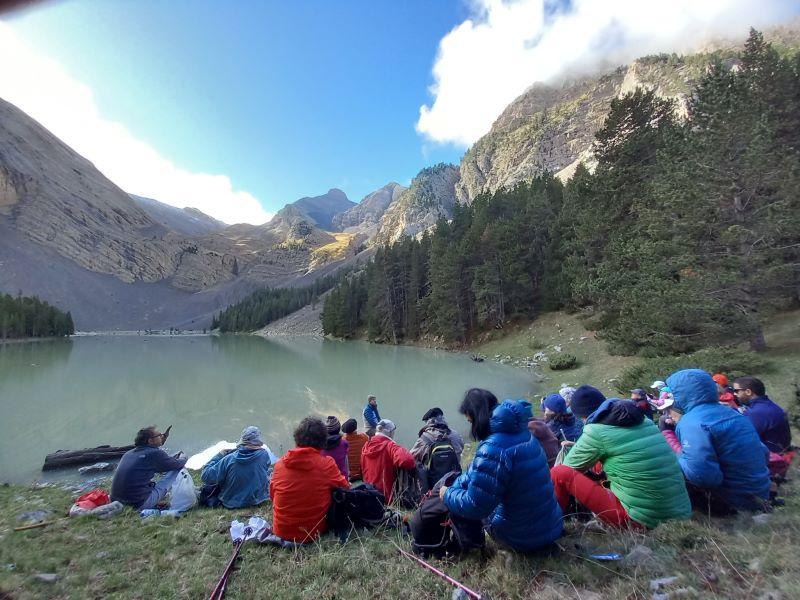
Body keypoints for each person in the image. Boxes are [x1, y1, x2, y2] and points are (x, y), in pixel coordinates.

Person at [439, 389, 562, 553]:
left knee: (460, 507)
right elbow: (478, 472)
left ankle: (470, 550)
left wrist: (447, 495)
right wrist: (456, 484)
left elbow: (476, 506)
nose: (472, 426)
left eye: (470, 421)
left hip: (521, 537)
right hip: (551, 525)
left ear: (477, 416)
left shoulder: (493, 449)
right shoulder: (524, 433)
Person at [550, 385, 691, 529]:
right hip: (681, 512)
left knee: (559, 473)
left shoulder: (597, 431)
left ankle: (553, 523)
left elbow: (568, 467)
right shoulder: (644, 421)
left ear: (582, 415)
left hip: (642, 520)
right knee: (600, 464)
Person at [662, 369, 770, 514]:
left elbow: (703, 477)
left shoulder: (692, 422)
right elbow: (763, 451)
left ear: (681, 394)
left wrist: (678, 456)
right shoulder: (733, 413)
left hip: (732, 502)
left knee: (664, 467)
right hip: (761, 492)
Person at [270, 417, 350, 543]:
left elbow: (272, 495)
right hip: (313, 532)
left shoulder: (279, 464)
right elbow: (345, 487)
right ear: (323, 441)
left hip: (281, 531)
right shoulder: (326, 464)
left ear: (297, 438)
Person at [111, 425, 187, 509]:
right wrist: (184, 457)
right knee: (177, 469)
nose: (162, 436)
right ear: (150, 441)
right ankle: (182, 492)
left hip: (116, 501)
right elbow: (177, 464)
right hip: (138, 504)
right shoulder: (154, 454)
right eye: (159, 435)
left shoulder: (128, 453)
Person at [200, 426, 273, 509]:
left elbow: (205, 476)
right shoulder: (264, 455)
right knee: (269, 471)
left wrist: (219, 455)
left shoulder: (229, 459)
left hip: (231, 502)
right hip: (258, 499)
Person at [360, 419, 415, 503]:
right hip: (385, 496)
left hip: (368, 492)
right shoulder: (390, 445)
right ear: (389, 432)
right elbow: (408, 461)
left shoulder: (366, 445)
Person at [733, 377, 792, 453]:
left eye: (736, 391)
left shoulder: (756, 412)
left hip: (772, 457)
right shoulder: (767, 405)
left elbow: (746, 439)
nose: (734, 394)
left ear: (748, 392)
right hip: (782, 450)